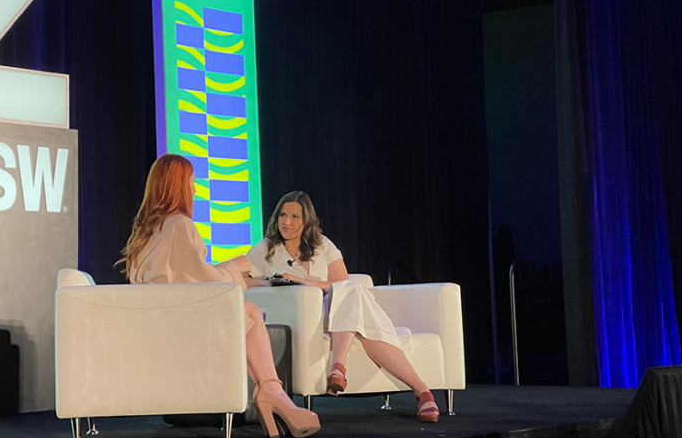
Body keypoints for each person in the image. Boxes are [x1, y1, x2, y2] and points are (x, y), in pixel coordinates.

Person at [117, 155, 320, 438]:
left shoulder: (145, 231)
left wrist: (230, 271)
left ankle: (270, 391)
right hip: (178, 323)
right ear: (179, 186)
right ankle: (272, 393)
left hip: (160, 321)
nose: (195, 189)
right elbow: (205, 280)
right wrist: (234, 268)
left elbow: (181, 278)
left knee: (245, 312)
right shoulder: (179, 224)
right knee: (247, 311)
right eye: (192, 182)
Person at [247, 191, 440, 423]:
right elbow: (242, 279)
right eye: (282, 215)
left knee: (350, 294)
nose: (286, 222)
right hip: (307, 317)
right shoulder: (266, 249)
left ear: (307, 220)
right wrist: (269, 281)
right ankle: (421, 391)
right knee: (357, 307)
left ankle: (340, 369)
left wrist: (305, 282)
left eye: (295, 216)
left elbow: (342, 283)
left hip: (337, 308)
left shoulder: (321, 244)